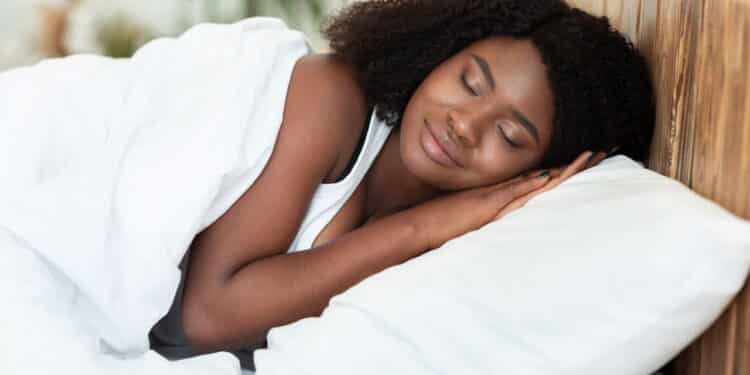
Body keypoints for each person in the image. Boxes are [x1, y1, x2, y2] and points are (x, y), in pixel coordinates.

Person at [149, 0, 655, 370]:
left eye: (508, 134)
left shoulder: (472, 247)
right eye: (469, 82)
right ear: (440, 54)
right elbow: (206, 316)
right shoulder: (332, 97)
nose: (464, 123)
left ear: (538, 171)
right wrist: (422, 228)